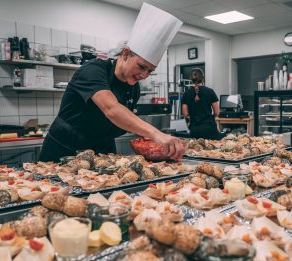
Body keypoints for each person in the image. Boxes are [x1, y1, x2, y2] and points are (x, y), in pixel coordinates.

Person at [39, 3, 184, 162]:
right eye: (142, 67)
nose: (144, 75)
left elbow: (122, 121)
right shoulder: (93, 70)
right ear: (126, 54)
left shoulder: (134, 88)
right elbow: (111, 109)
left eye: (150, 70)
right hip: (65, 150)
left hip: (103, 152)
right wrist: (156, 134)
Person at [181, 68, 222, 140]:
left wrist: (188, 124)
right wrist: (212, 119)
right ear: (203, 78)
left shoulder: (186, 94)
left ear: (191, 79)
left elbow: (185, 114)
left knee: (195, 151)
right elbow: (217, 112)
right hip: (209, 128)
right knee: (213, 150)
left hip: (195, 129)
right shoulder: (210, 91)